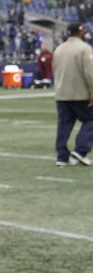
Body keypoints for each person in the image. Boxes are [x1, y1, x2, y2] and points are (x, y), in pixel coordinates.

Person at [51, 22, 93, 166]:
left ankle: (62, 157)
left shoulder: (58, 49)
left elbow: (54, 70)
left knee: (64, 126)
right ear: (80, 32)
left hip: (62, 94)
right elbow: (89, 73)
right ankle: (81, 150)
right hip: (80, 94)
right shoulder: (85, 49)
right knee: (91, 120)